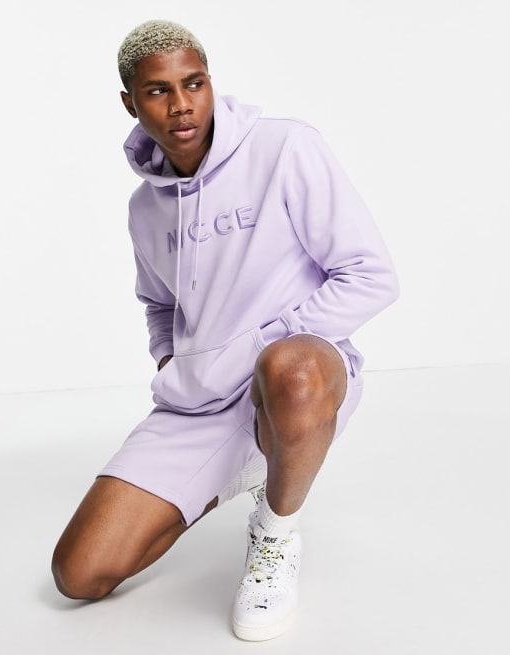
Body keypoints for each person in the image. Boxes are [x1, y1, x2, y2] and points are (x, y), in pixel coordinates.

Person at [51, 19, 398, 641]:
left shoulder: (285, 148)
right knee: (79, 575)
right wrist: (170, 360)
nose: (181, 104)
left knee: (290, 367)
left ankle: (275, 531)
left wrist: (257, 347)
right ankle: (247, 464)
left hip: (295, 380)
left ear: (211, 83)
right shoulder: (145, 208)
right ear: (131, 103)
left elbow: (370, 276)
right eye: (158, 91)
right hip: (198, 402)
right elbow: (158, 304)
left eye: (194, 83)